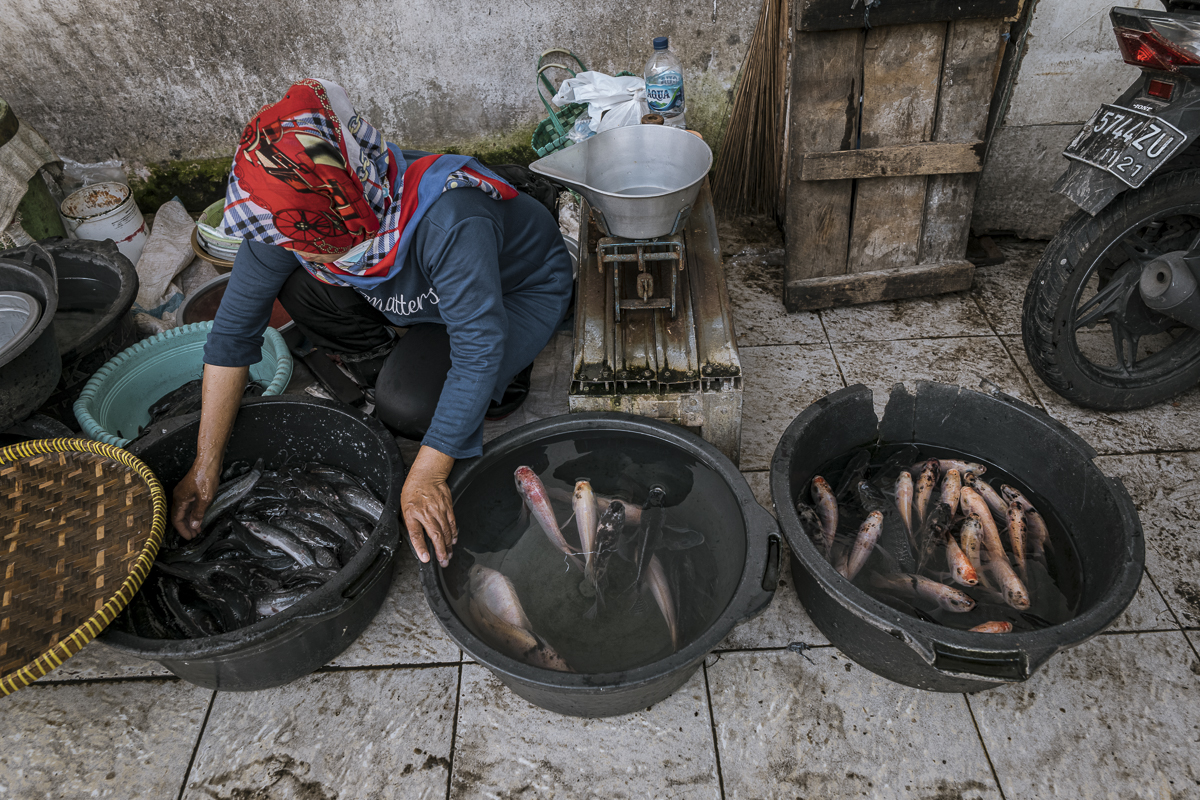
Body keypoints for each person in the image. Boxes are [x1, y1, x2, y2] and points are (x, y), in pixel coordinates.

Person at [170, 80, 573, 568]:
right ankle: (403, 354)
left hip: (516, 291)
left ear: (346, 213)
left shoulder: (451, 217)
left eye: (302, 241)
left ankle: (499, 381)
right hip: (426, 297)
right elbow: (233, 333)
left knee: (408, 405)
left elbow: (478, 348)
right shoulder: (285, 213)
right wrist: (205, 465)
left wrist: (425, 474)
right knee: (297, 286)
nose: (285, 246)